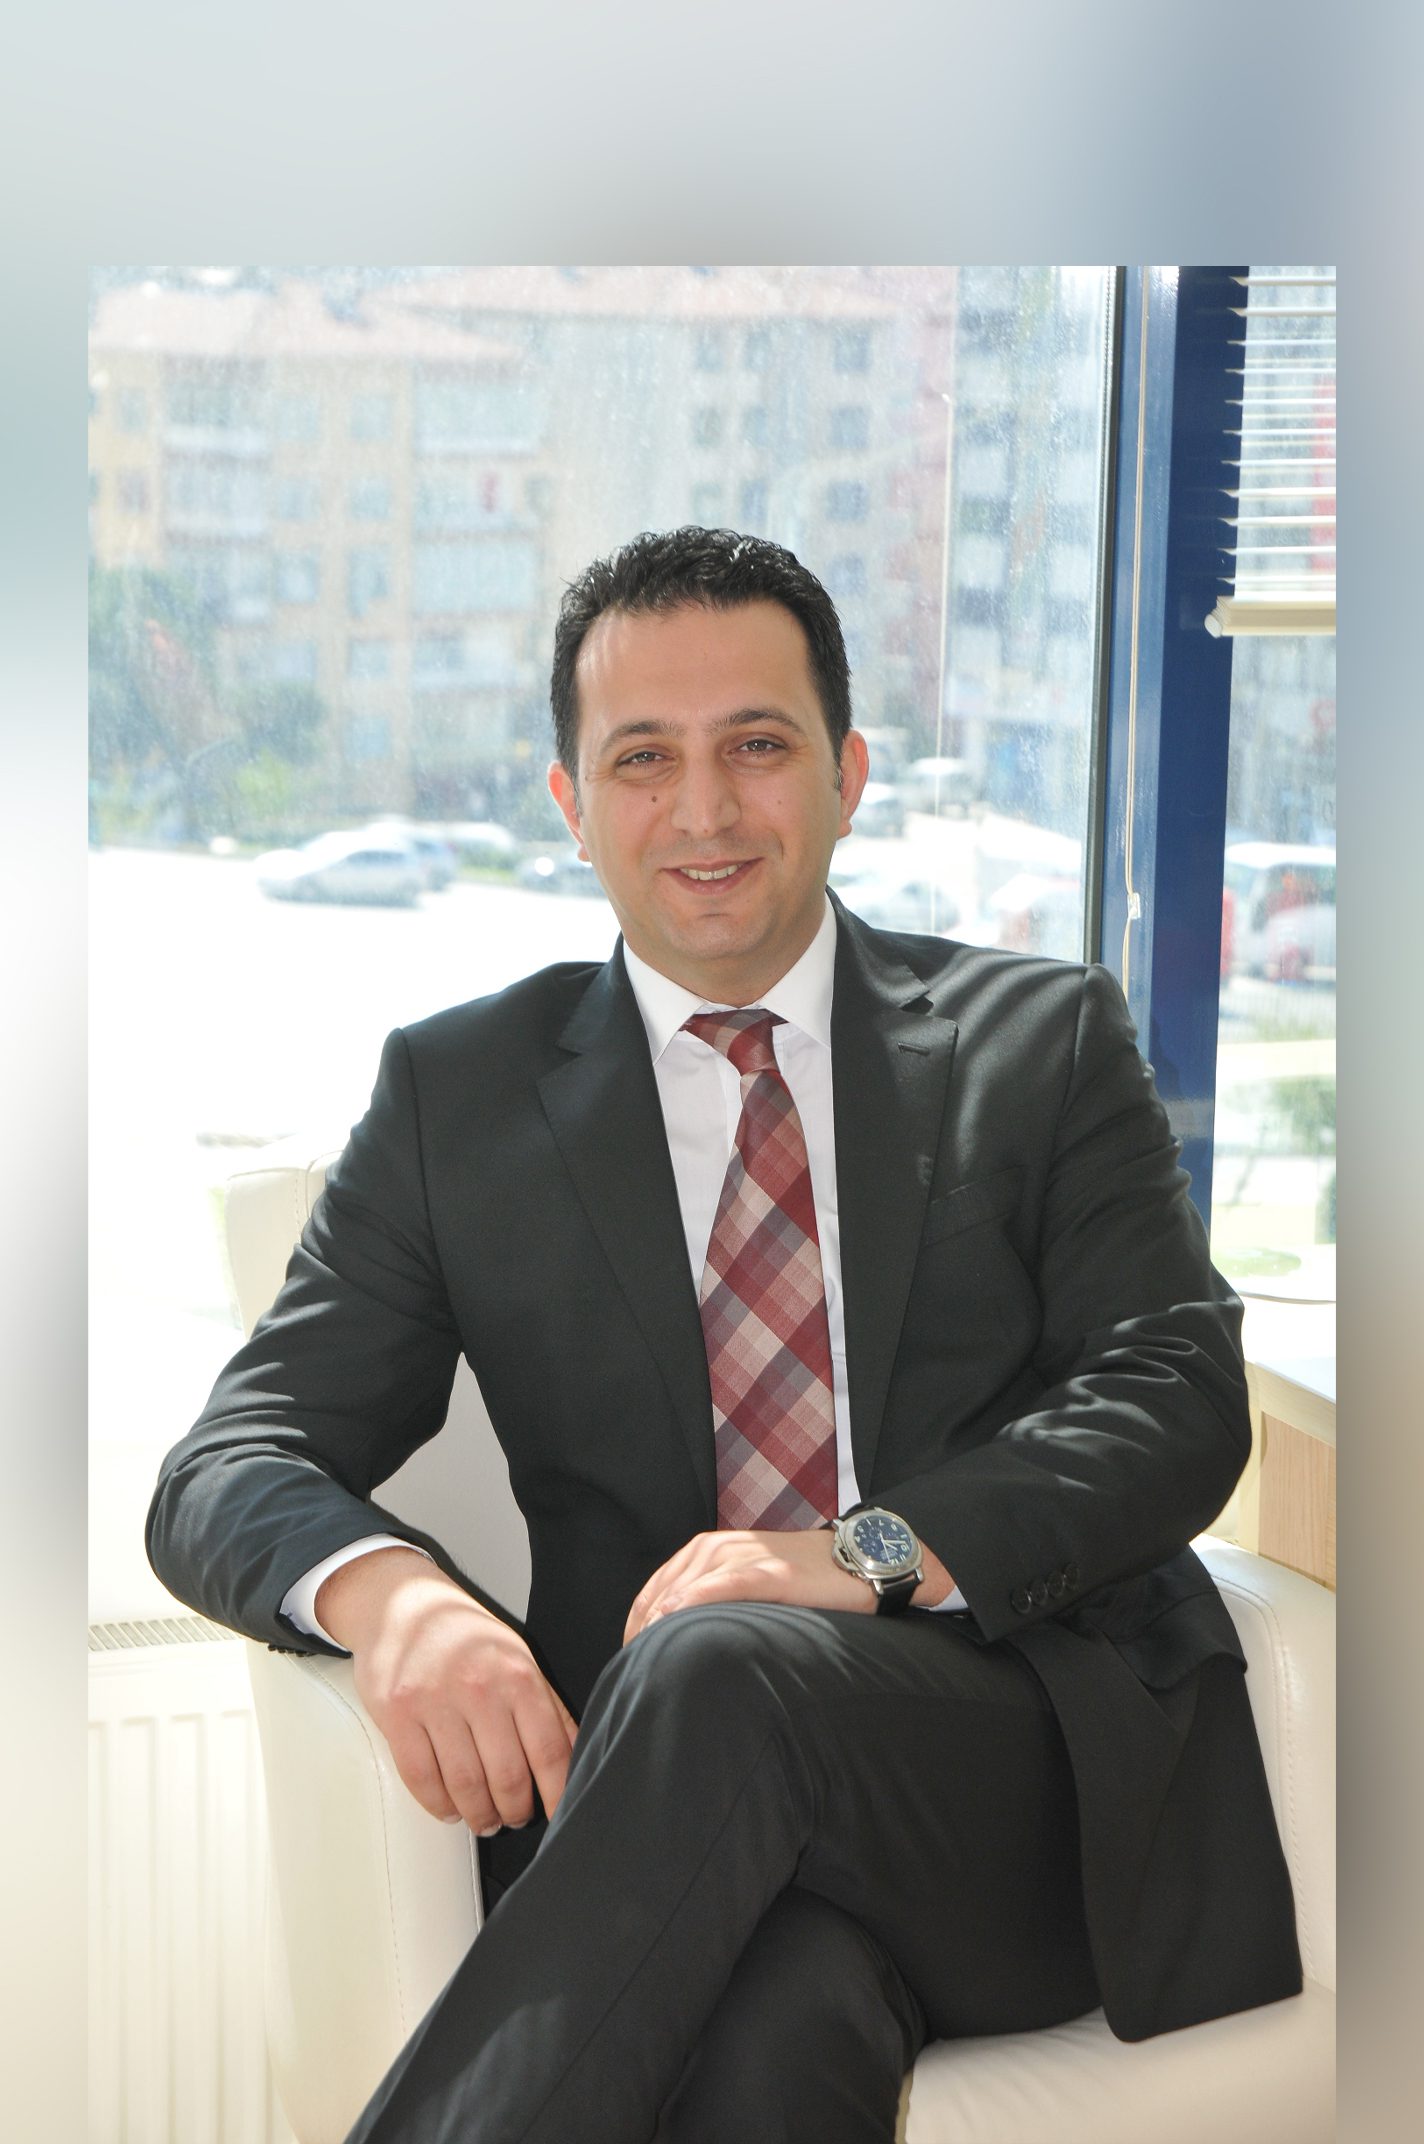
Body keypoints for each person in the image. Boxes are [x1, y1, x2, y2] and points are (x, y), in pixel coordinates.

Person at [148, 527, 1301, 2144]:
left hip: (1017, 1783)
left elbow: (1173, 1395)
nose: (702, 811)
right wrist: (393, 1593)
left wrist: (859, 1556)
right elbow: (231, 1458)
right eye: (643, 759)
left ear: (847, 774)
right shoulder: (456, 1099)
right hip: (669, 1827)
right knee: (771, 2033)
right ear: (572, 805)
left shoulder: (1039, 1042)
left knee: (722, 1664)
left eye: (756, 746)